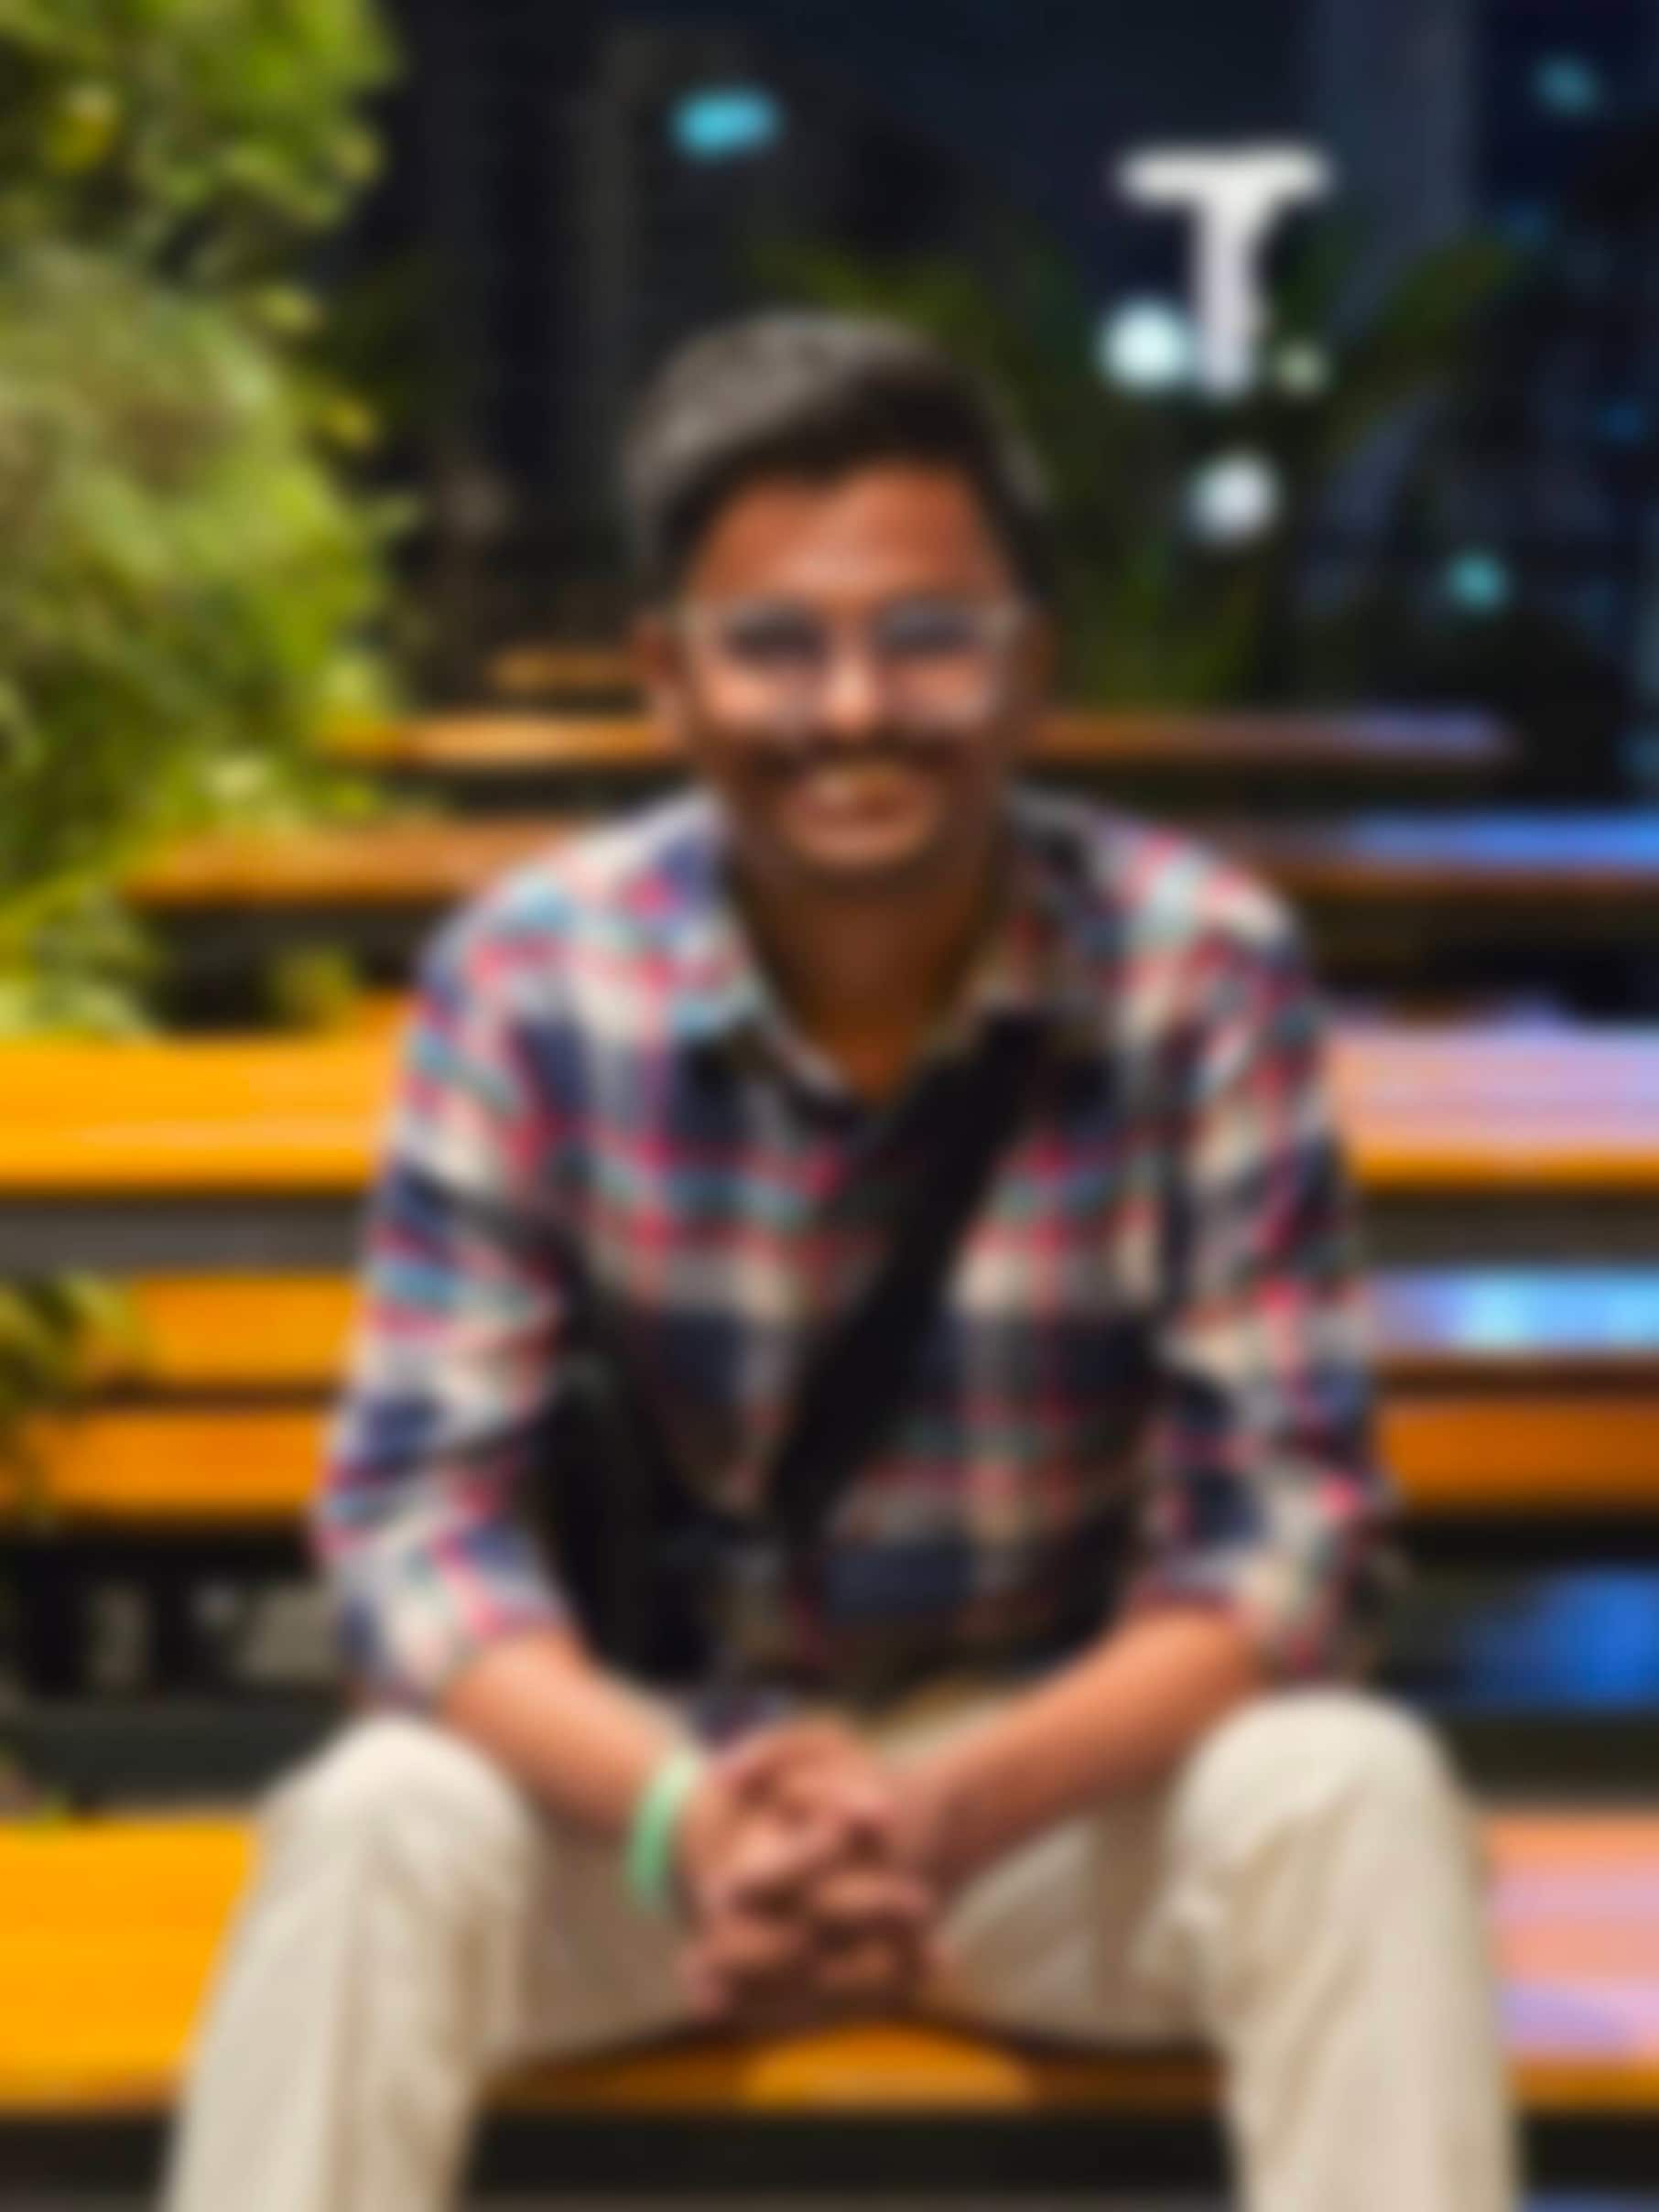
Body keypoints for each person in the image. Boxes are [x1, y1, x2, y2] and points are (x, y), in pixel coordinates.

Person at [161, 310, 1521, 2212]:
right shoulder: (529, 979)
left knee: (1355, 1793)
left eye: (928, 635)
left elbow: (1288, 1535)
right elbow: (412, 1529)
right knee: (372, 1817)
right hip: (649, 1810)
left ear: (1030, 665)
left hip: (1043, 1804)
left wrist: (944, 1806)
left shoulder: (1198, 968)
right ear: (667, 676)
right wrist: (688, 1812)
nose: (856, 707)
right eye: (776, 643)